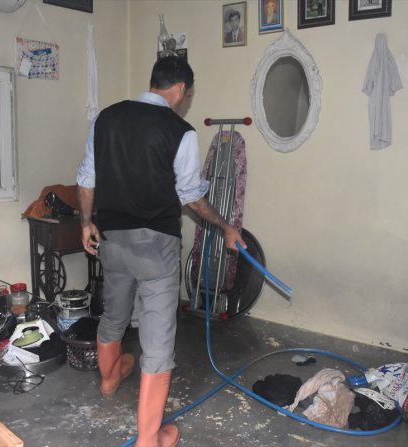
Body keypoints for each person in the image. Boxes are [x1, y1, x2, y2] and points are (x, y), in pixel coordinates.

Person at [76, 56, 246, 447]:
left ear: (154, 81)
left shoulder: (106, 119)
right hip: (156, 248)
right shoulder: (180, 131)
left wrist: (86, 223)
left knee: (114, 314)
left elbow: (86, 175)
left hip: (112, 240)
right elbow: (191, 197)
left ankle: (109, 380)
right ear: (182, 89)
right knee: (157, 339)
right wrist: (225, 227)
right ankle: (149, 439)